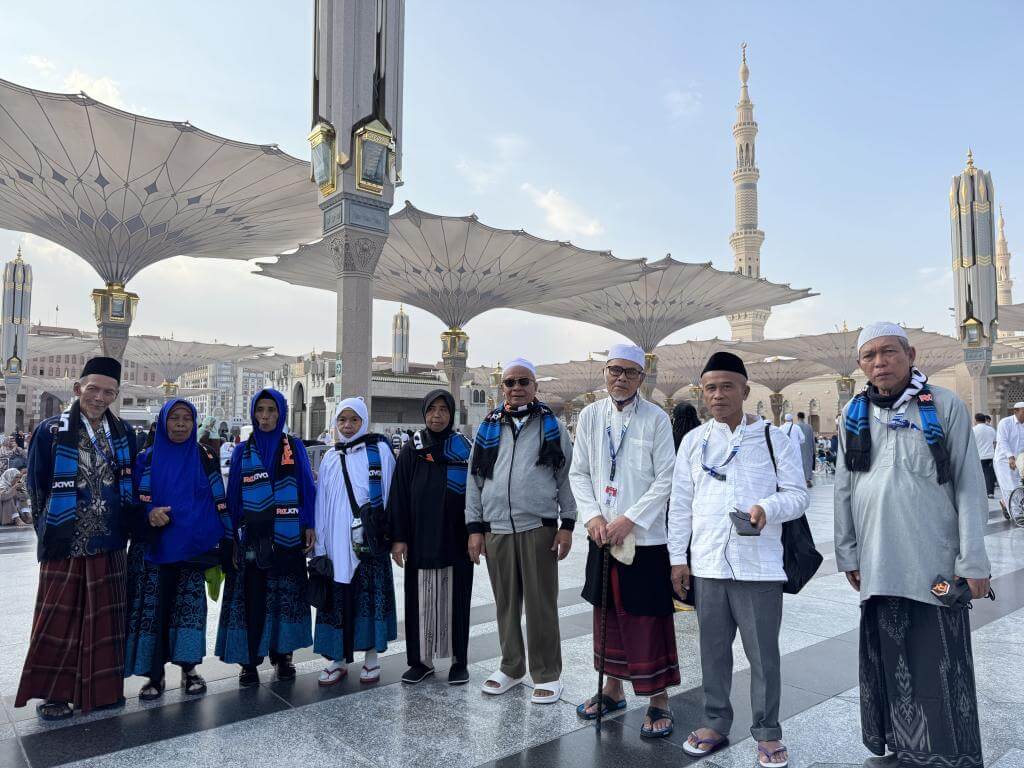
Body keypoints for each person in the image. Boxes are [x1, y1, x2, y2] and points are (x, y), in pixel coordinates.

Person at [834, 322, 990, 768]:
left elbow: (968, 485)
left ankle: (949, 753)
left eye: (888, 352)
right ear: (861, 364)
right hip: (878, 560)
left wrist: (973, 560)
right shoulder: (854, 411)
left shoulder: (944, 405)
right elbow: (845, 486)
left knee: (941, 655)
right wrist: (847, 552)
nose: (879, 362)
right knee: (891, 657)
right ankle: (903, 746)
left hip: (936, 561)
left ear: (911, 354)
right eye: (869, 356)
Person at [669, 351, 809, 766]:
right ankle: (715, 720)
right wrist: (679, 558)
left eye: (727, 386)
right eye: (710, 387)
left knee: (763, 653)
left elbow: (797, 495)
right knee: (713, 650)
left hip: (758, 565)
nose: (717, 395)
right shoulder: (694, 442)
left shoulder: (772, 438)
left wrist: (768, 507)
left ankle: (767, 732)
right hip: (709, 563)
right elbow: (680, 504)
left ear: (745, 391)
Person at [16, 357, 139, 720]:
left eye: (108, 392)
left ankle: (100, 691)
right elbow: (35, 487)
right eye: (93, 389)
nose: (99, 397)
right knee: (60, 618)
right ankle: (55, 694)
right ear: (78, 389)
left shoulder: (124, 434)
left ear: (116, 395)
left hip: (111, 539)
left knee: (105, 620)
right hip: (65, 540)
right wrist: (48, 532)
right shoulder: (51, 430)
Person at [570, 344, 679, 737]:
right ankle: (612, 689)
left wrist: (629, 519)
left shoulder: (656, 419)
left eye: (630, 373)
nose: (621, 378)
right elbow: (579, 472)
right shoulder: (589, 416)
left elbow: (666, 477)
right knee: (607, 614)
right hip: (602, 535)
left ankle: (658, 700)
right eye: (615, 370)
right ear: (604, 373)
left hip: (644, 539)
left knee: (647, 618)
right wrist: (595, 516)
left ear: (642, 378)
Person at [466, 357, 575, 704]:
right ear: (503, 388)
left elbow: (566, 476)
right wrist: (475, 528)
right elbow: (475, 480)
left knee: (542, 604)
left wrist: (567, 524)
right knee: (506, 604)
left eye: (523, 382)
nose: (517, 388)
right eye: (510, 382)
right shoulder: (488, 427)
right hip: (497, 528)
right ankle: (512, 667)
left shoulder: (551, 426)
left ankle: (547, 674)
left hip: (537, 526)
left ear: (535, 387)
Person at [124, 399, 232, 699]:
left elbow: (217, 498)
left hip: (192, 549)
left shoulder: (204, 456)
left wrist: (224, 537)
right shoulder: (146, 458)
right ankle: (154, 675)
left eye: (187, 418)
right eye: (175, 418)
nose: (181, 424)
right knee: (155, 612)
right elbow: (129, 501)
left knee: (189, 612)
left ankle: (189, 669)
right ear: (163, 422)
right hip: (154, 549)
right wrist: (149, 515)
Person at [215, 389, 316, 686]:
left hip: (287, 537)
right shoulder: (242, 450)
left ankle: (282, 656)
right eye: (260, 410)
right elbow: (233, 494)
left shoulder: (293, 448)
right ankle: (249, 662)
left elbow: (306, 488)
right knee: (252, 598)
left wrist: (309, 523)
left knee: (284, 597)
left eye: (271, 410)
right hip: (251, 538)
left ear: (281, 413)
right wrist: (230, 534)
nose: (265, 416)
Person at [388, 389, 473, 685]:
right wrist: (398, 538)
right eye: (432, 410)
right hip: (421, 537)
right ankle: (421, 661)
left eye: (443, 410)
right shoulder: (413, 449)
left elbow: (476, 494)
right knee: (420, 600)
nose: (437, 415)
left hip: (456, 538)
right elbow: (398, 493)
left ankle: (458, 661)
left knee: (456, 600)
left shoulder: (463, 449)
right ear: (424, 413)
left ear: (452, 414)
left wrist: (477, 533)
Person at [313, 397, 397, 685]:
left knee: (368, 597)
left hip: (368, 543)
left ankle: (371, 658)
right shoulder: (330, 458)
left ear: (364, 422)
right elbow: (321, 503)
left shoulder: (380, 452)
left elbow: (390, 496)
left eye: (354, 420)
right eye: (342, 420)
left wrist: (389, 535)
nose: (348, 426)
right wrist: (321, 545)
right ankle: (337, 659)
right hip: (336, 543)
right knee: (339, 599)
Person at [994, 402, 1024, 514]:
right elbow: (1002, 441)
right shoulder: (1005, 423)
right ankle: (1016, 514)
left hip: (1019, 461)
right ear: (1015, 411)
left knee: (1018, 485)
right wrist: (1010, 457)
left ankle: (1004, 502)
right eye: (1023, 413)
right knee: (1009, 486)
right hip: (1004, 460)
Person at [973, 412, 997, 499]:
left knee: (978, 475)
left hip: (978, 456)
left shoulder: (974, 430)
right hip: (990, 456)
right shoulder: (991, 430)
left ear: (976, 420)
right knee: (989, 474)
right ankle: (990, 493)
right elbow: (994, 443)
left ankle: (980, 492)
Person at [795, 412, 814, 488]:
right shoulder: (809, 427)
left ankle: (800, 480)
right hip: (808, 448)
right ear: (804, 417)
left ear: (797, 417)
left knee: (799, 463)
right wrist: (813, 449)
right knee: (808, 463)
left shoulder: (795, 426)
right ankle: (808, 480)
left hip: (798, 448)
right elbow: (812, 439)